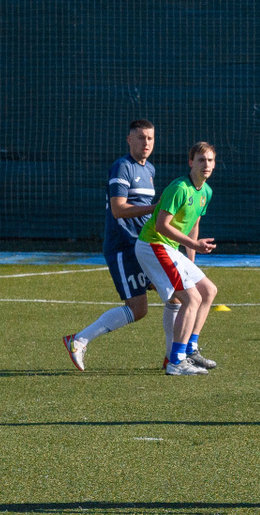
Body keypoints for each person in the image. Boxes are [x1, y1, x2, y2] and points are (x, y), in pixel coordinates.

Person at [64, 120, 161, 371]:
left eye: (150, 138)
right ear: (129, 140)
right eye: (140, 137)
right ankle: (79, 340)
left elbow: (146, 213)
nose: (146, 143)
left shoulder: (150, 169)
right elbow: (118, 209)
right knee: (138, 309)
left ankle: (178, 355)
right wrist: (155, 208)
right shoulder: (122, 166)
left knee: (177, 293)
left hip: (143, 246)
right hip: (123, 247)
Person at [136, 141, 221, 375]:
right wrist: (193, 245)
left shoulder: (206, 192)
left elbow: (194, 224)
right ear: (191, 162)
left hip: (171, 248)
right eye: (201, 160)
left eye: (210, 160)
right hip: (153, 244)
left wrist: (190, 260)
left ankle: (190, 349)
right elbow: (162, 226)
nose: (206, 165)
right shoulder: (179, 188)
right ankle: (175, 362)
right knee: (191, 298)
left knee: (208, 290)